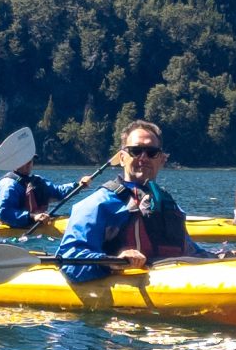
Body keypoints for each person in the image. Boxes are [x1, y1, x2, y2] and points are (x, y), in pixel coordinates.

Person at [57, 120, 213, 282]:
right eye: (136, 151)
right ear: (122, 158)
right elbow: (69, 260)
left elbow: (192, 251)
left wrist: (220, 256)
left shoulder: (168, 205)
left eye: (151, 152)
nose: (143, 158)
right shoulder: (98, 204)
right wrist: (114, 262)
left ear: (161, 160)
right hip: (123, 289)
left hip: (171, 283)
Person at [0, 156, 74, 231]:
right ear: (16, 162)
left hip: (40, 221)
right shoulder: (8, 184)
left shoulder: (37, 181)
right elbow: (5, 214)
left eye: (30, 160)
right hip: (17, 226)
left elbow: (58, 192)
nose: (29, 164)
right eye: (25, 160)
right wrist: (33, 217)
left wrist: (77, 185)